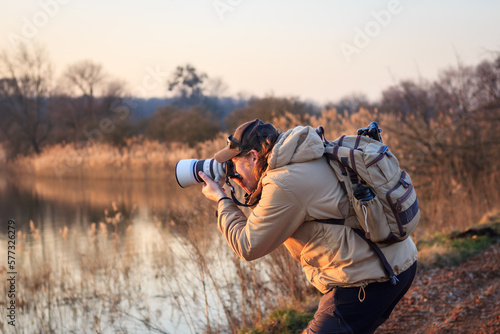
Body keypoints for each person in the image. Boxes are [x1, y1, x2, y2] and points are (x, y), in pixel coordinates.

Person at [198, 119, 417, 334]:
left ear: (253, 157)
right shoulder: (306, 154)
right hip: (399, 263)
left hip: (366, 282)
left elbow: (247, 246)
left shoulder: (284, 182)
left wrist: (221, 200)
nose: (231, 170)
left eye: (235, 163)